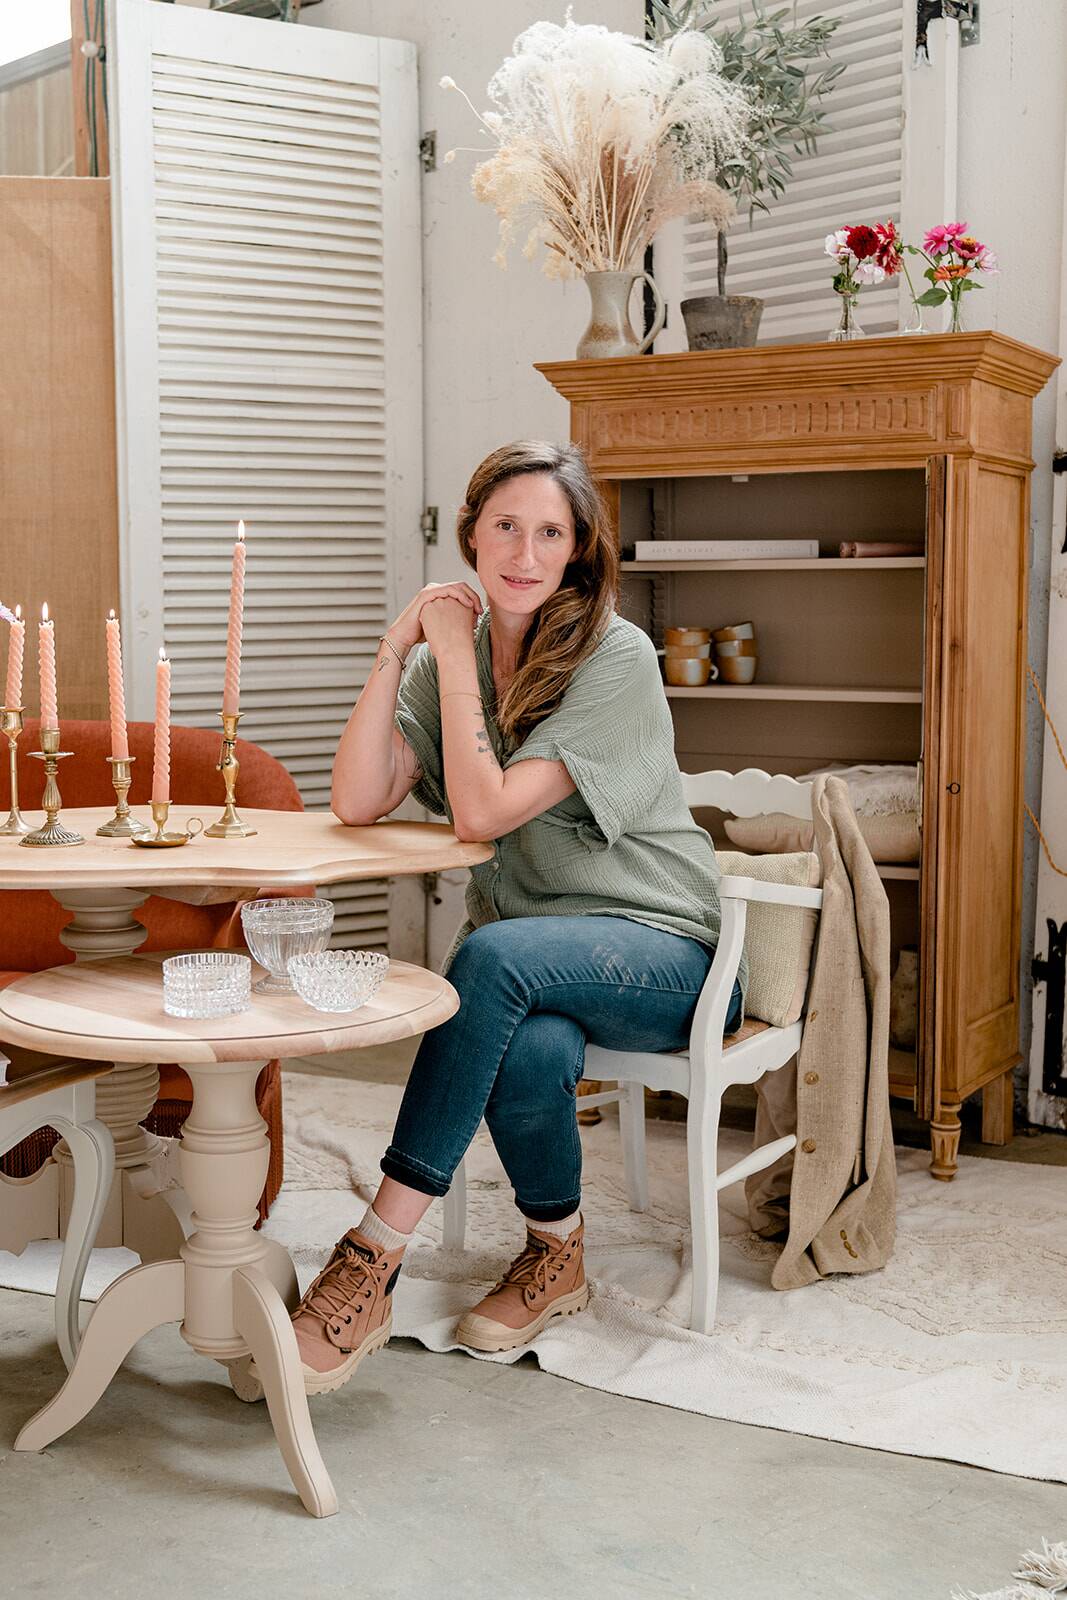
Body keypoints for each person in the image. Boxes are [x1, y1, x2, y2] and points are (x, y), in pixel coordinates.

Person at [290, 440, 747, 1394]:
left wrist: (451, 656)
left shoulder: (614, 655)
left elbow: (481, 813)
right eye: (505, 526)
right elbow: (358, 798)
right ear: (471, 534)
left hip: (667, 952)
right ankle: (556, 1253)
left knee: (490, 960)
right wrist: (397, 649)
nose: (524, 553)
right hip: (532, 964)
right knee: (529, 1045)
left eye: (550, 532)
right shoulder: (446, 664)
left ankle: (371, 1255)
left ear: (578, 549)